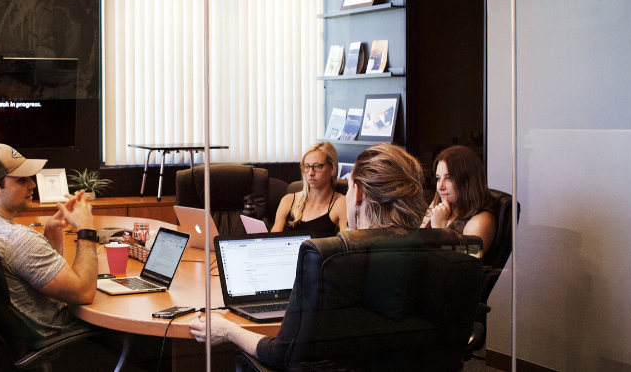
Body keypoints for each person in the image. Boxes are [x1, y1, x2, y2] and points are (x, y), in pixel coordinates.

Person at [190, 143, 428, 365]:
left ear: (357, 195)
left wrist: (228, 329)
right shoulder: (442, 251)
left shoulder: (330, 263)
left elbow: (281, 352)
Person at [0, 143, 99, 339]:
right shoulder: (18, 240)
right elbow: (84, 293)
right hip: (61, 342)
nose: (32, 184)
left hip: (19, 343)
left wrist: (52, 231)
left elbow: (44, 277)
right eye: (21, 180)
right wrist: (86, 229)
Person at [421, 145, 497, 251]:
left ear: (467, 181)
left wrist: (439, 229)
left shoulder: (481, 221)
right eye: (438, 178)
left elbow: (460, 264)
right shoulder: (439, 202)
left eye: (448, 178)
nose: (440, 187)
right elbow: (417, 242)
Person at [271, 142, 347, 236]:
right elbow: (272, 241)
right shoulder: (288, 200)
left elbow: (348, 245)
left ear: (332, 169)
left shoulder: (341, 203)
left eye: (317, 166)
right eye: (307, 166)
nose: (310, 173)